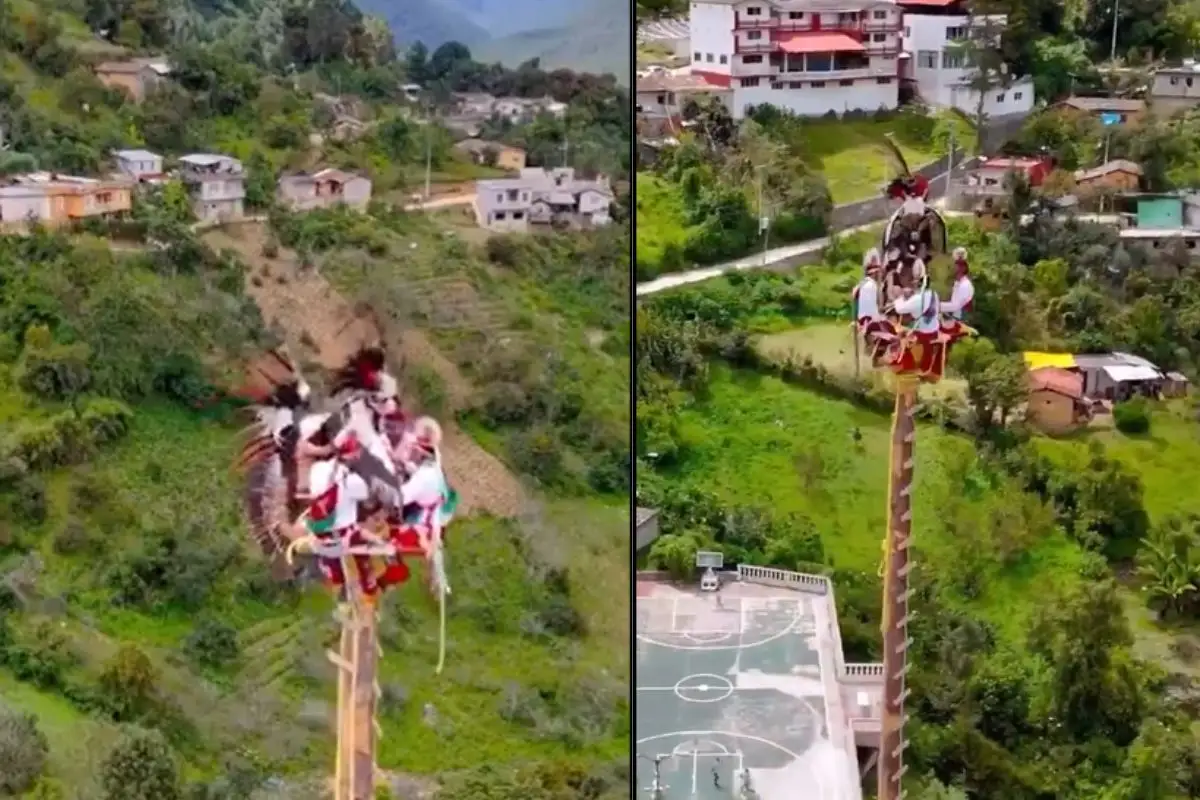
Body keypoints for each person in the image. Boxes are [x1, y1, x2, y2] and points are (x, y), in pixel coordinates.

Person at [303, 433, 379, 601]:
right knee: (362, 551)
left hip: (320, 532)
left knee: (331, 553)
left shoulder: (318, 469)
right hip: (345, 534)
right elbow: (369, 495)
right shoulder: (353, 481)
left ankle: (335, 578)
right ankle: (369, 584)